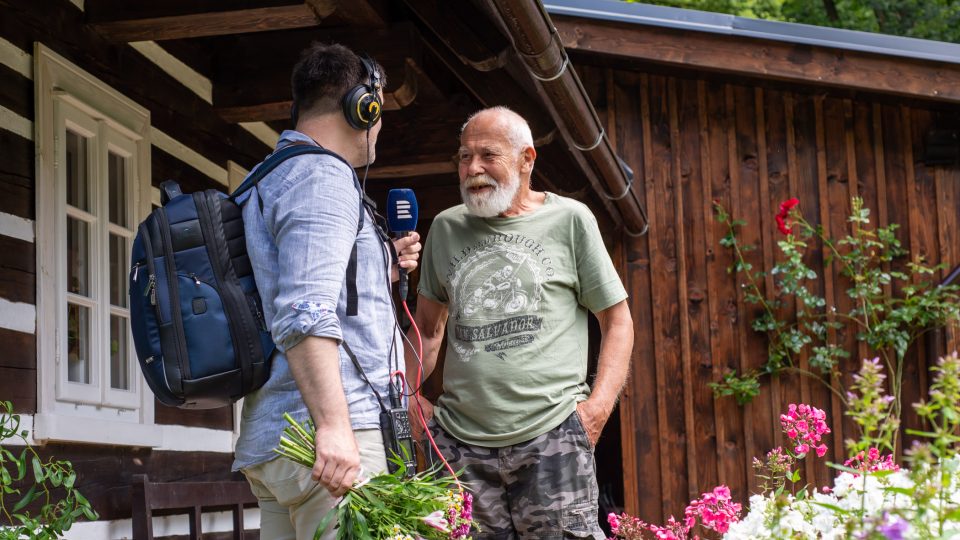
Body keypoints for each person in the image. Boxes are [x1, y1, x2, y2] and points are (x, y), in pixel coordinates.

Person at [407, 106, 634, 538]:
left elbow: (617, 321)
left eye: (488, 155)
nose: (472, 168)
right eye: (463, 157)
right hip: (459, 445)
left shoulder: (570, 220)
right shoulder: (446, 228)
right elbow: (429, 330)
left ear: (527, 160)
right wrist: (410, 398)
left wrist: (595, 411)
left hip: (553, 437)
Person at [232, 43, 421, 540]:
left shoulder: (264, 178)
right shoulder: (323, 176)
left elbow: (289, 287)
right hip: (331, 441)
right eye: (379, 111)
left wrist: (383, 273)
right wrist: (333, 427)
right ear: (364, 107)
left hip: (278, 442)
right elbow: (304, 310)